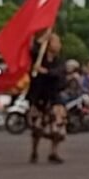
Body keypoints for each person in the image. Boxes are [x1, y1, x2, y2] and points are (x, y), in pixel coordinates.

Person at [26, 31, 66, 164]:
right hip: (39, 95)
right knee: (37, 126)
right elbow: (32, 49)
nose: (58, 45)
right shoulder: (39, 57)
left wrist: (46, 71)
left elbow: (59, 74)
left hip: (54, 95)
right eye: (56, 41)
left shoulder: (58, 61)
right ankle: (34, 150)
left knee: (58, 124)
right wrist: (44, 37)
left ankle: (53, 152)